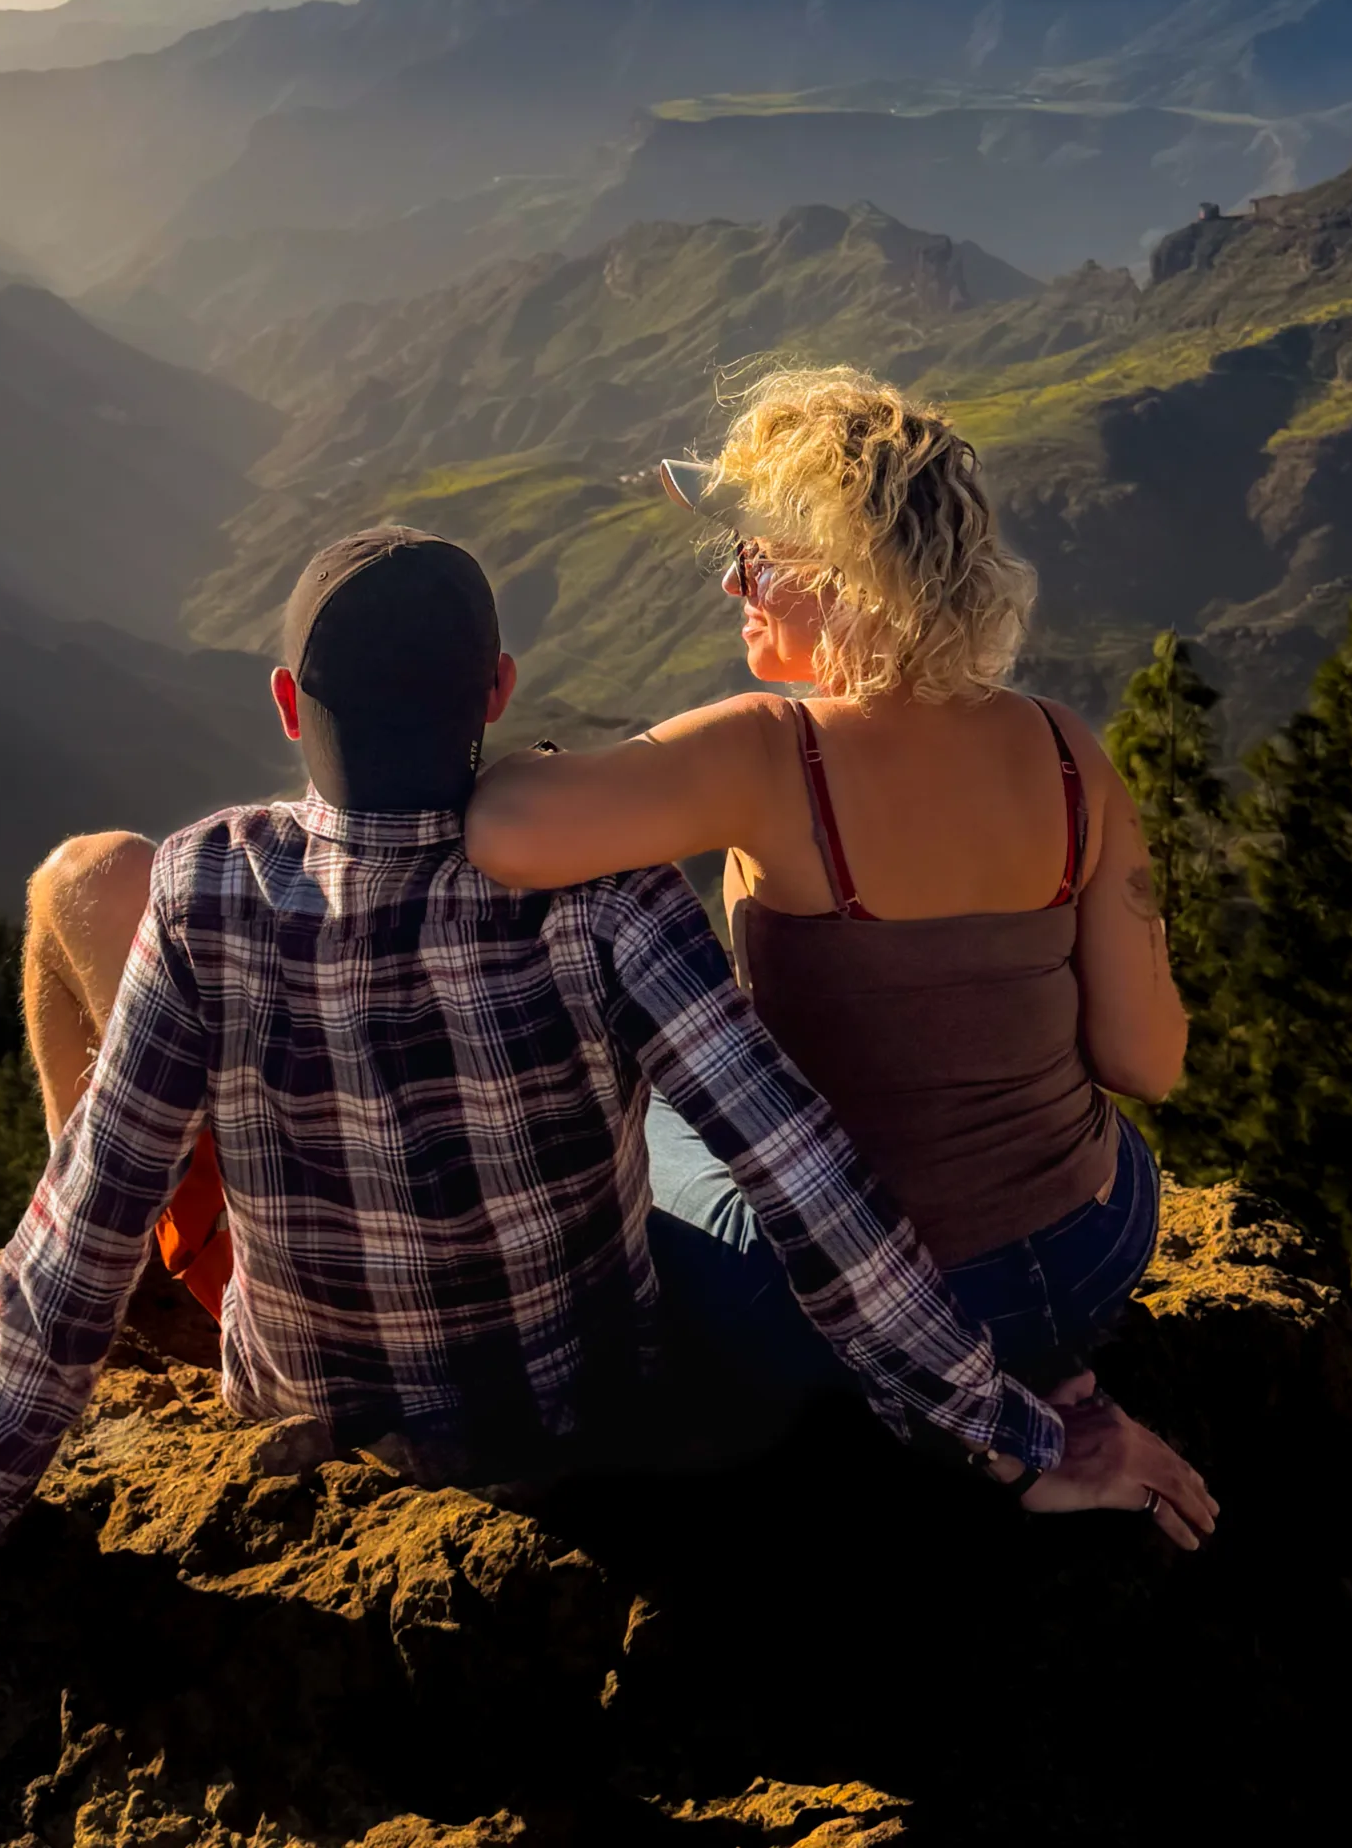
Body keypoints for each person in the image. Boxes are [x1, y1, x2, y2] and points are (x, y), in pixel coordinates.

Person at [0, 525, 1214, 1680]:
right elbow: (812, 1185)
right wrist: (1025, 1432)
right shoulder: (606, 891)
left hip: (307, 1389)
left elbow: (77, 1233)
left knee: (82, 879)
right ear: (498, 697)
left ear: (283, 705)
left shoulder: (207, 886)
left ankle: (173, 1301)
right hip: (576, 1391)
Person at [466, 365, 1189, 1399]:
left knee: (643, 1105)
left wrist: (530, 753)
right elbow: (1146, 1060)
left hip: (845, 1312)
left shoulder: (773, 752)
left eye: (753, 557)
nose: (732, 583)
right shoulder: (1069, 750)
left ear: (842, 574)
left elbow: (506, 832)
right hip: (1091, 1252)